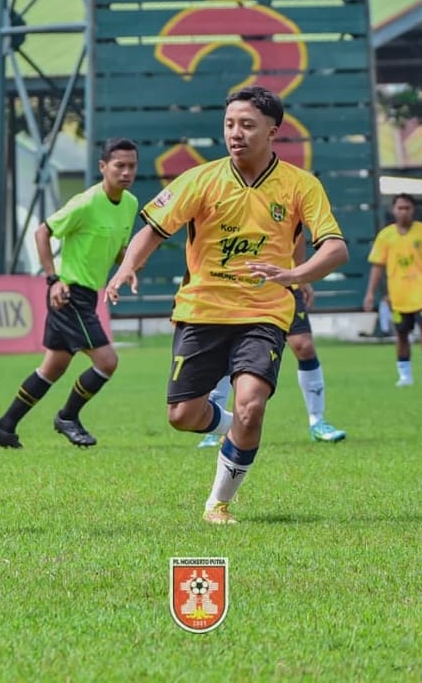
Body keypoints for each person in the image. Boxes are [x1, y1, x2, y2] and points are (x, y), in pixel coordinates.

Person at [106, 85, 348, 525]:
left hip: (264, 313)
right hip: (202, 312)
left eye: (247, 125)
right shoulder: (201, 179)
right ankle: (230, 428)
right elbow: (154, 230)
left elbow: (335, 248)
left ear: (273, 131)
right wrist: (126, 269)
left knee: (252, 405)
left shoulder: (301, 185)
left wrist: (294, 275)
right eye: (229, 125)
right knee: (182, 416)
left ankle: (218, 503)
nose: (235, 133)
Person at [0, 138, 139, 449]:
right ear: (103, 167)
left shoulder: (130, 204)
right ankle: (68, 416)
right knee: (107, 361)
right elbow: (42, 231)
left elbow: (119, 252)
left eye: (131, 166)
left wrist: (126, 269)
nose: (126, 172)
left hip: (88, 296)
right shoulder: (85, 203)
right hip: (69, 296)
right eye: (119, 165)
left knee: (52, 368)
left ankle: (5, 426)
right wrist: (53, 279)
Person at [196, 236, 346, 447]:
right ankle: (215, 429)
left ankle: (317, 421)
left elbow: (297, 234)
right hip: (237, 286)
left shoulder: (289, 203)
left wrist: (301, 277)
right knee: (228, 348)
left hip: (282, 283)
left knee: (304, 346)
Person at [362, 193, 422, 386]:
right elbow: (377, 266)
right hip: (398, 294)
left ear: (413, 210)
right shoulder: (386, 235)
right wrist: (370, 293)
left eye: (407, 208)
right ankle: (405, 375)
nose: (403, 212)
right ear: (394, 210)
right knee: (401, 333)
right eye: (400, 208)